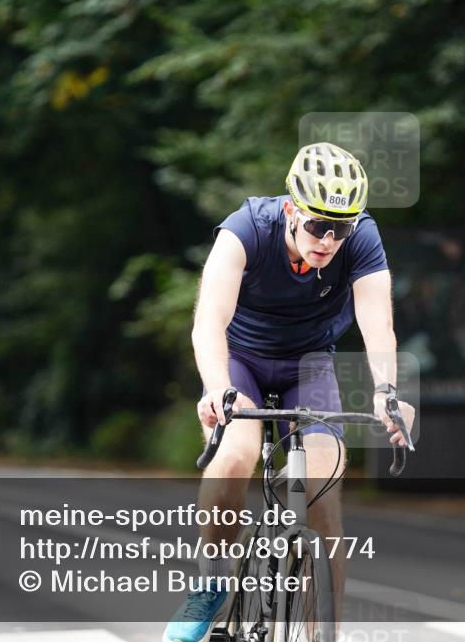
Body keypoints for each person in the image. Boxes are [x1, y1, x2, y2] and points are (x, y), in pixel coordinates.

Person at [163, 142, 415, 642]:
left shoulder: (362, 238)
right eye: (317, 225)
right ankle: (211, 584)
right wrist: (217, 388)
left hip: (309, 362)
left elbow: (377, 325)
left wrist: (388, 391)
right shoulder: (245, 230)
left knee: (324, 486)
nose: (327, 239)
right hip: (242, 361)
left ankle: (326, 632)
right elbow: (208, 321)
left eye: (339, 229)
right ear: (291, 209)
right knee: (236, 454)